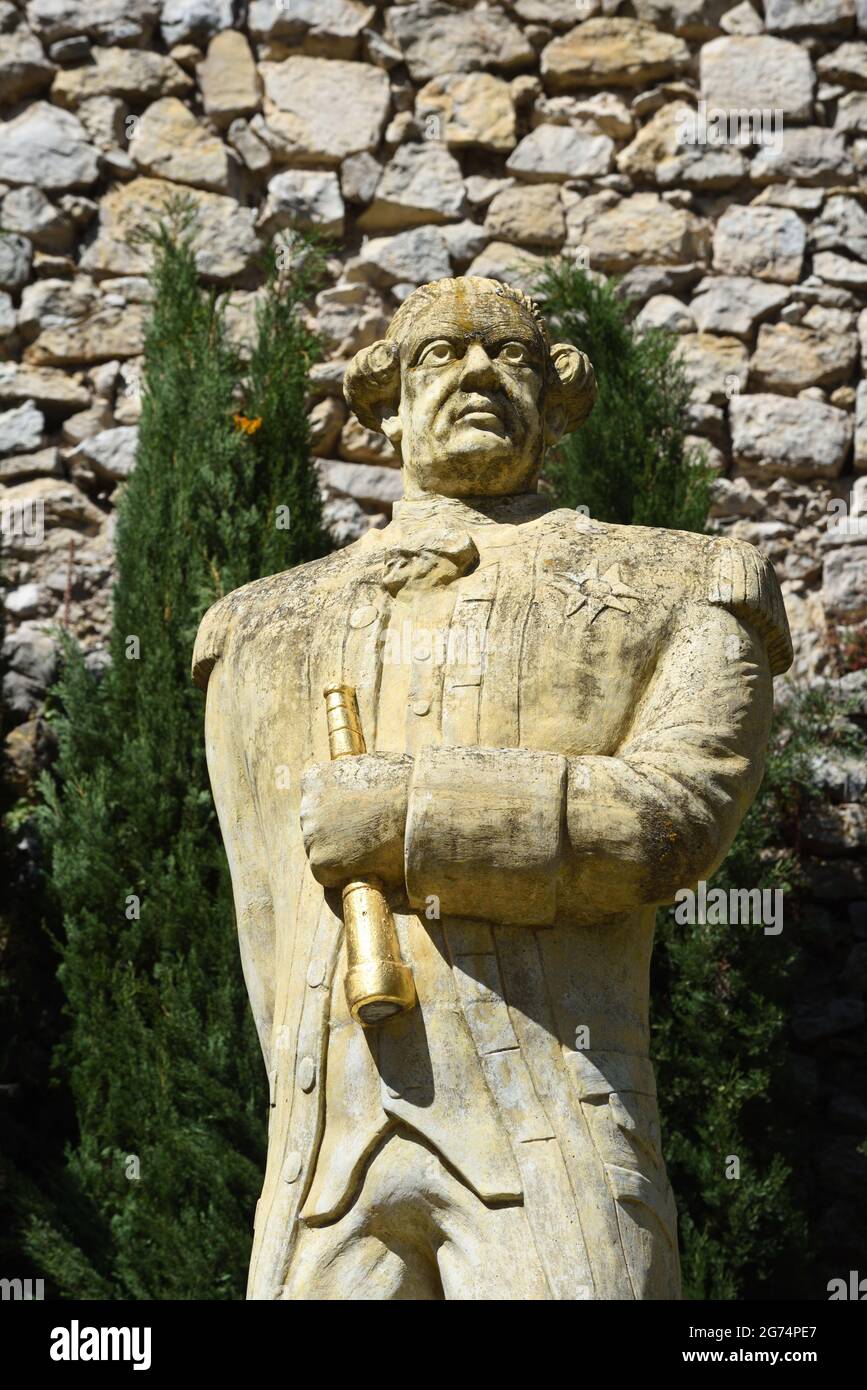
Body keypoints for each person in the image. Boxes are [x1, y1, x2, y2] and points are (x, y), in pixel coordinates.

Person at [193, 276, 792, 1300]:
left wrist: (410, 813)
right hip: (321, 1162)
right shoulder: (255, 631)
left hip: (550, 1133)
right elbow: (266, 919)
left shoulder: (678, 585)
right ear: (383, 400)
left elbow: (673, 820)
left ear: (557, 395)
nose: (475, 370)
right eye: (438, 354)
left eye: (509, 353)